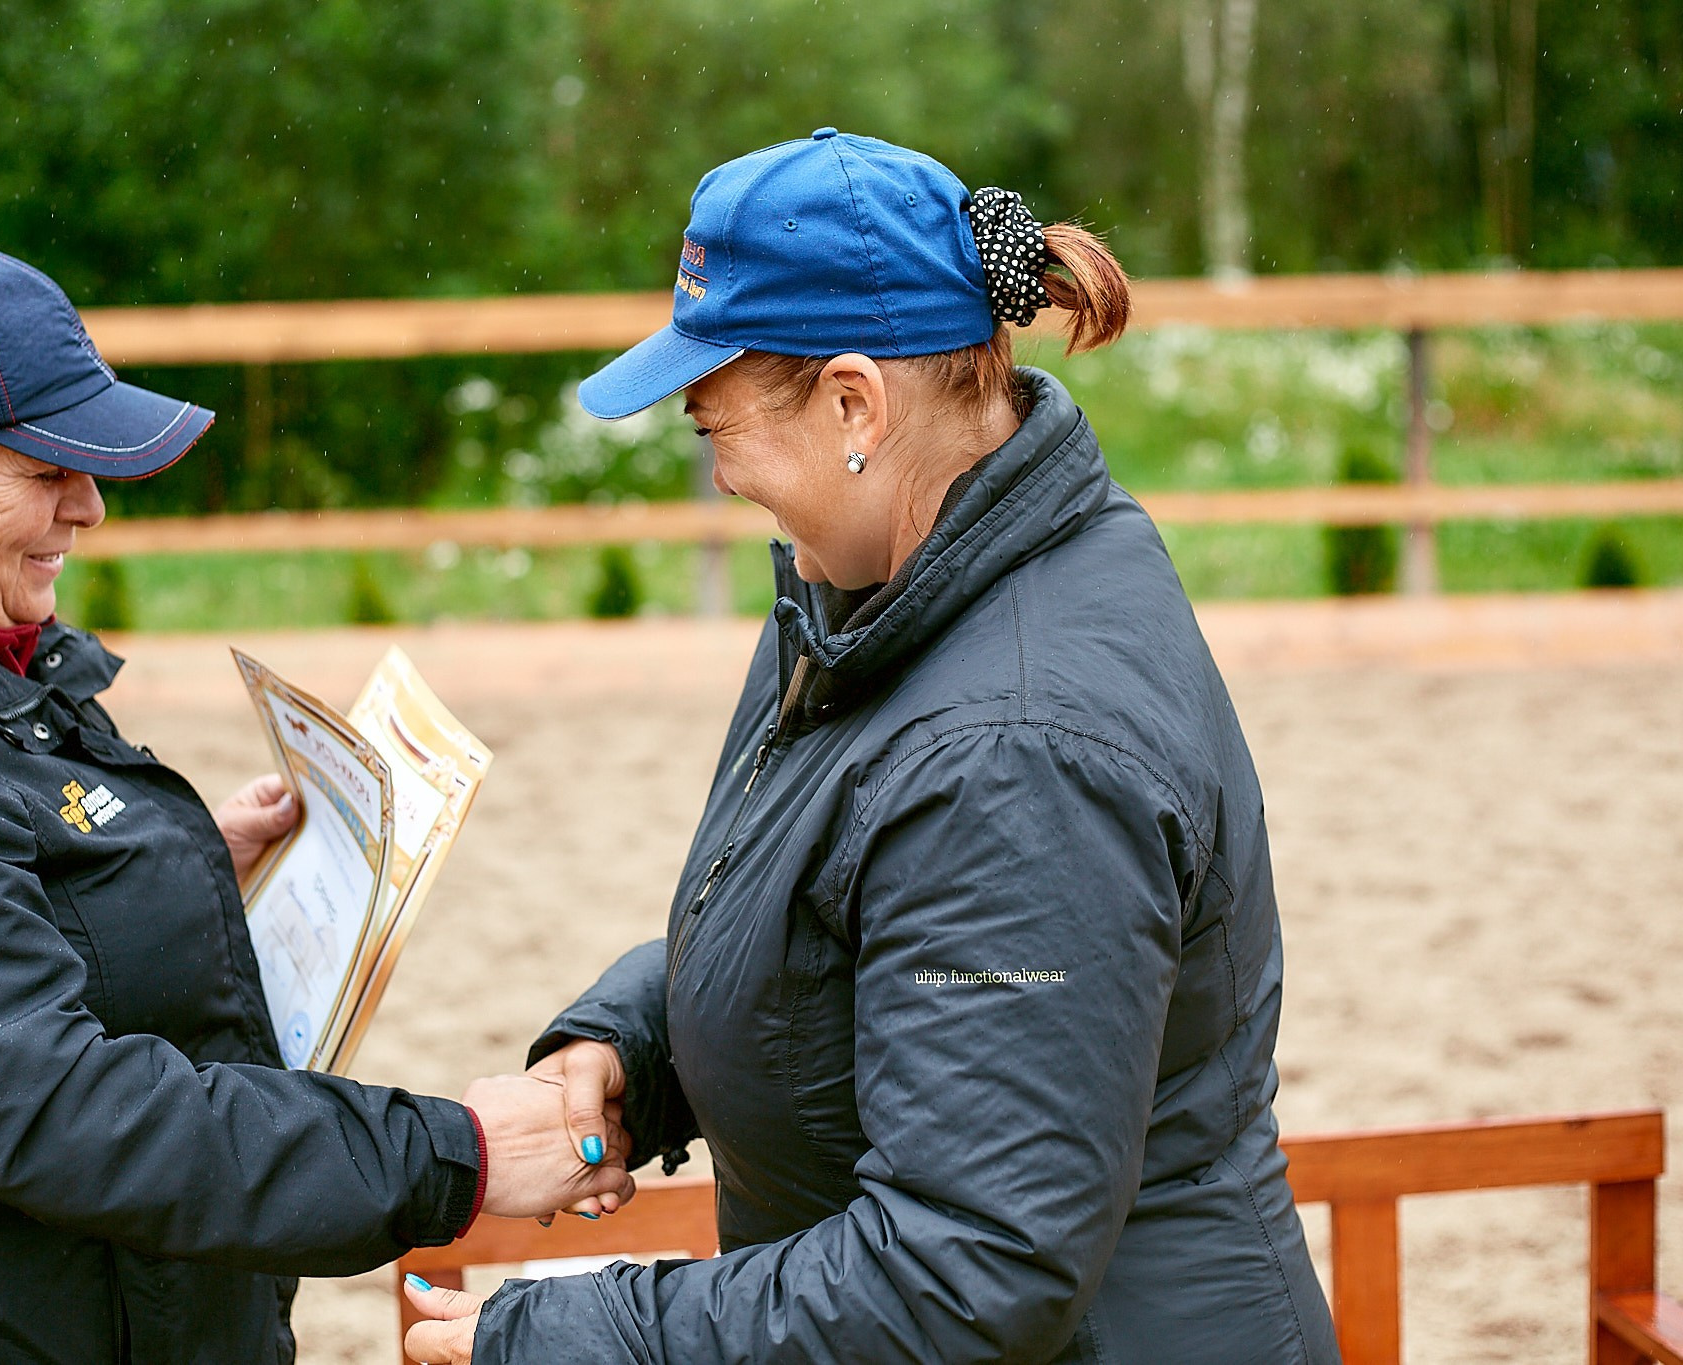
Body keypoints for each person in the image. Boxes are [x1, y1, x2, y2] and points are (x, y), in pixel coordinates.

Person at [404, 131, 1343, 1363]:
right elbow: (851, 918)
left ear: (854, 403)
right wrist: (635, 1042)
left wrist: (576, 1336)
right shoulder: (880, 592)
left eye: (714, 424)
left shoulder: (1012, 755)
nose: (719, 474)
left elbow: (970, 1267)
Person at [0, 236, 632, 1365]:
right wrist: (458, 1155)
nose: (89, 506)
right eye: (41, 469)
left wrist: (161, 870)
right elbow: (58, 1109)